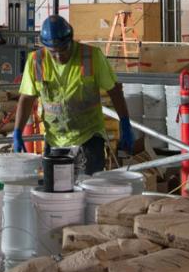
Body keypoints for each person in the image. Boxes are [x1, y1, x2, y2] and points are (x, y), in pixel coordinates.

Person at [11, 15, 136, 175]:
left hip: (88, 138)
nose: (58, 56)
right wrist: (17, 132)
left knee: (87, 191)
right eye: (53, 52)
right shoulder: (36, 61)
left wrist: (124, 122)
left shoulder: (91, 57)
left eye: (63, 50)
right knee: (57, 193)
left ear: (71, 40)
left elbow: (114, 91)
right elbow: (27, 98)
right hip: (55, 140)